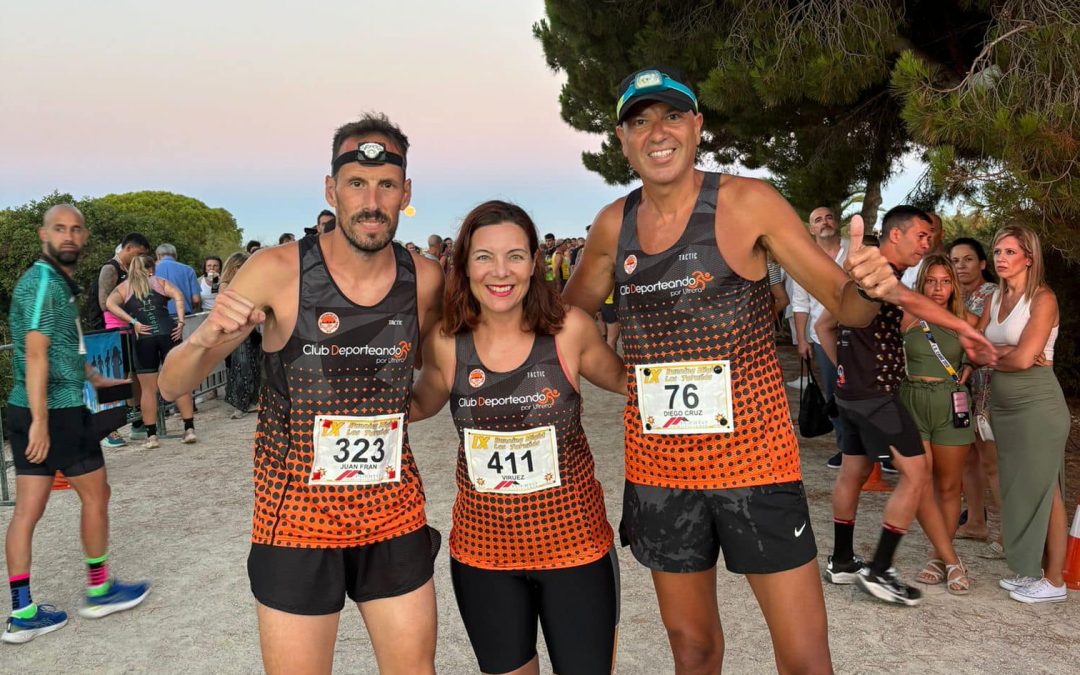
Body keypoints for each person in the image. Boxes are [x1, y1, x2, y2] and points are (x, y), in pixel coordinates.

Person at [561, 66, 971, 672]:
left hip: (755, 466)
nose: (657, 133)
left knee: (805, 659)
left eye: (672, 115)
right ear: (621, 139)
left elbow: (845, 303)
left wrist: (873, 282)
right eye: (639, 121)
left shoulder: (746, 202)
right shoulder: (611, 226)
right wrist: (624, 379)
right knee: (693, 650)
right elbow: (563, 321)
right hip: (660, 471)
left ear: (697, 126)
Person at [159, 113, 444, 673]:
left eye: (386, 184)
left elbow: (438, 376)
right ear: (331, 189)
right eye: (357, 184)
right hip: (294, 520)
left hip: (393, 514)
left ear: (405, 192)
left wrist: (397, 414)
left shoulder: (426, 279)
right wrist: (207, 340)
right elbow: (172, 384)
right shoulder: (276, 271)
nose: (371, 200)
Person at [411, 200, 625, 675]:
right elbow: (418, 404)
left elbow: (635, 383)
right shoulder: (447, 342)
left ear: (535, 262)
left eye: (515, 255)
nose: (500, 271)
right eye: (484, 256)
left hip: (575, 548)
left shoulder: (570, 330)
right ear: (464, 265)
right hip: (484, 554)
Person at [817, 206, 993, 607]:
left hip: (850, 393)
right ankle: (880, 570)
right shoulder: (879, 273)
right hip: (876, 394)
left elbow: (822, 325)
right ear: (895, 236)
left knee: (853, 471)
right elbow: (915, 303)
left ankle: (843, 560)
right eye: (921, 235)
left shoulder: (863, 274)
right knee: (917, 474)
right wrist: (966, 328)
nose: (927, 243)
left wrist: (845, 370)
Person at [4, 205, 149, 644]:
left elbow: (65, 346)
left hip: (34, 409)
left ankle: (23, 611)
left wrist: (95, 377)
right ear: (42, 233)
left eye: (75, 229)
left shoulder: (56, 282)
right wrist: (42, 423)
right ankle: (100, 589)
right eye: (59, 229)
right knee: (97, 494)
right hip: (57, 413)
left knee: (28, 511)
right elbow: (34, 353)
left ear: (84, 236)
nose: (68, 236)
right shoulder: (44, 283)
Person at [979, 226, 1068, 603]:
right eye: (997, 251)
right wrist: (1010, 356)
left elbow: (1015, 355)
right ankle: (1032, 570)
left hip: (1037, 405)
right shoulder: (995, 297)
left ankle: (1054, 582)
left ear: (1028, 258)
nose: (1000, 258)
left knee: (1047, 492)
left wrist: (997, 356)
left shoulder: (1043, 299)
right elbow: (976, 348)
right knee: (1019, 490)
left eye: (1010, 252)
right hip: (1005, 406)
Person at [896, 254, 977, 594]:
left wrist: (970, 369)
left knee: (948, 486)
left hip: (951, 402)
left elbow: (979, 355)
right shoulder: (907, 316)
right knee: (919, 483)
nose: (939, 288)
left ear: (953, 285)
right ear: (922, 282)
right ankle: (951, 559)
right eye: (932, 280)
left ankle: (936, 557)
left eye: (945, 281)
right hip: (912, 400)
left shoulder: (967, 319)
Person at [105, 255, 196, 448]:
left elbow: (109, 304)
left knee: (148, 389)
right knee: (179, 381)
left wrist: (133, 322)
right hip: (168, 332)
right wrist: (180, 321)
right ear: (151, 268)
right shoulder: (160, 282)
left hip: (143, 336)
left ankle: (151, 436)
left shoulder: (124, 287)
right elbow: (179, 295)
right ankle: (188, 429)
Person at [948, 237, 1002, 548]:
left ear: (982, 263)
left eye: (968, 259)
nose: (961, 266)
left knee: (991, 459)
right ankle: (976, 523)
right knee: (968, 457)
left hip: (987, 384)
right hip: (962, 386)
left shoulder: (992, 295)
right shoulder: (954, 296)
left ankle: (1008, 534)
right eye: (955, 261)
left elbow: (984, 339)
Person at [791, 207, 849, 467]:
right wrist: (803, 340)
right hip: (822, 338)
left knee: (867, 392)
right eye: (817, 220)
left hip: (859, 334)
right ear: (811, 229)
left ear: (836, 222)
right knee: (835, 393)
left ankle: (874, 450)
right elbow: (800, 303)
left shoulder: (854, 251)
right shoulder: (805, 260)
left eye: (828, 217)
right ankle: (846, 446)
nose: (824, 222)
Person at [91, 232, 152, 448]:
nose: (140, 258)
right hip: (110, 332)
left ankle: (136, 422)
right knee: (114, 377)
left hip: (128, 330)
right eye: (139, 253)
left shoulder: (128, 270)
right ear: (128, 249)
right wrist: (132, 314)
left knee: (132, 374)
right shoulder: (110, 269)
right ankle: (109, 429)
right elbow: (104, 303)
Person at [218, 252, 260, 418]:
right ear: (236, 268)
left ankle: (253, 401)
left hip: (250, 329)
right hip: (235, 330)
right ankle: (240, 404)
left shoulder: (246, 283)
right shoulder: (225, 285)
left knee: (254, 365)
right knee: (240, 366)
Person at [153, 243, 201, 318]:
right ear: (175, 255)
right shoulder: (188, 270)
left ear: (158, 256)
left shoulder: (150, 271)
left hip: (159, 317)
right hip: (185, 316)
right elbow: (196, 299)